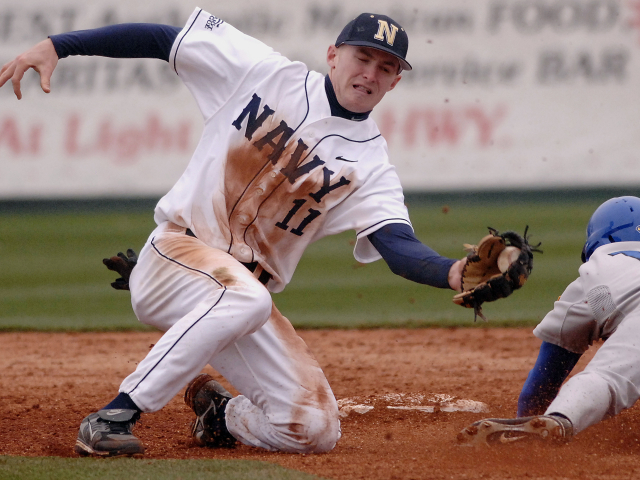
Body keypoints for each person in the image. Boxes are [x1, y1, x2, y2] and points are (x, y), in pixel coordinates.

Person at [0, 10, 467, 456]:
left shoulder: (372, 166)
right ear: (332, 55)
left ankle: (220, 415)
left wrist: (455, 272)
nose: (370, 73)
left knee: (314, 429)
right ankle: (113, 417)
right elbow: (165, 40)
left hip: (236, 299)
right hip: (179, 249)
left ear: (395, 81)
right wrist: (59, 45)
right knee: (248, 299)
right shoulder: (264, 73)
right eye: (362, 57)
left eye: (385, 67)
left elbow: (398, 247)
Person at [457, 196, 640, 446]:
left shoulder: (601, 267)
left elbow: (547, 375)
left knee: (608, 378)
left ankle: (558, 421)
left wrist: (528, 417)